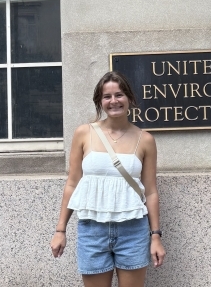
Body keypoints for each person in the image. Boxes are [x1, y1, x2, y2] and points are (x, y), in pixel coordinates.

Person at [50, 71, 166, 287]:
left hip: (133, 230)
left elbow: (150, 191)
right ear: (100, 101)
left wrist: (156, 236)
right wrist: (60, 230)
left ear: (130, 98)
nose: (114, 101)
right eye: (107, 96)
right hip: (92, 229)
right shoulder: (84, 133)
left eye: (119, 95)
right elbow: (72, 183)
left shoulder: (145, 139)